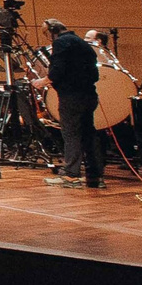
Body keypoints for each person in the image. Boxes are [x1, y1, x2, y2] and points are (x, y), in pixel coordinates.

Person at [43, 18, 104, 188]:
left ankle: (71, 175)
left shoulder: (61, 43)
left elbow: (57, 70)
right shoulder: (83, 44)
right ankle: (95, 176)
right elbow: (95, 74)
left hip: (71, 96)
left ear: (52, 32)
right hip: (89, 95)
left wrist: (44, 81)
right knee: (89, 135)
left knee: (71, 134)